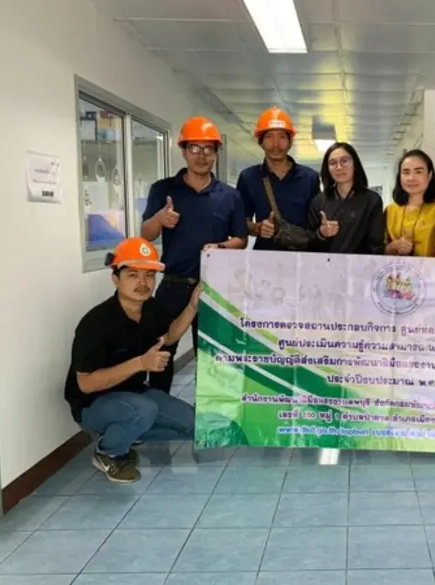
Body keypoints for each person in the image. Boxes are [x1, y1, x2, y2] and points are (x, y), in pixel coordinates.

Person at [64, 237, 198, 484]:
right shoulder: (95, 323)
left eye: (149, 276)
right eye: (133, 275)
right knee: (143, 410)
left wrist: (191, 307)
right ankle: (108, 452)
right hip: (93, 403)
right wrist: (141, 363)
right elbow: (86, 384)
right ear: (116, 279)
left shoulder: (150, 309)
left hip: (135, 393)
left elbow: (169, 336)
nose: (143, 283)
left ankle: (127, 432)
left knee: (194, 425)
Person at [140, 116, 247, 393]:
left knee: (211, 356)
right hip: (173, 285)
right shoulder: (164, 189)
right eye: (195, 148)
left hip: (214, 289)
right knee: (162, 348)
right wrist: (160, 218)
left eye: (208, 149)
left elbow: (241, 240)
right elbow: (146, 234)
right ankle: (160, 405)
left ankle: (209, 413)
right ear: (184, 151)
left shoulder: (230, 196)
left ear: (216, 153)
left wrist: (221, 247)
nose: (202, 155)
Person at [236, 106, 320, 250]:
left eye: (282, 137)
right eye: (269, 137)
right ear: (261, 142)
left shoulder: (310, 178)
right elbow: (240, 221)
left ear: (290, 141)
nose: (276, 145)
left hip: (301, 258)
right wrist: (257, 228)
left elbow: (317, 224)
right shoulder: (248, 178)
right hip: (264, 256)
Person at [385, 149, 435, 258]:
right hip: (395, 269)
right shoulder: (390, 211)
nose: (411, 178)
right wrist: (393, 247)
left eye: (418, 172)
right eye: (406, 172)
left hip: (433, 269)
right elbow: (376, 251)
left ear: (429, 175)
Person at [308, 142, 385, 254]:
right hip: (326, 263)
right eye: (333, 163)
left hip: (362, 263)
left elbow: (376, 245)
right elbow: (309, 243)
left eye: (344, 161)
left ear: (355, 164)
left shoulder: (372, 200)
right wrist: (321, 233)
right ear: (328, 169)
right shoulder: (318, 202)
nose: (339, 167)